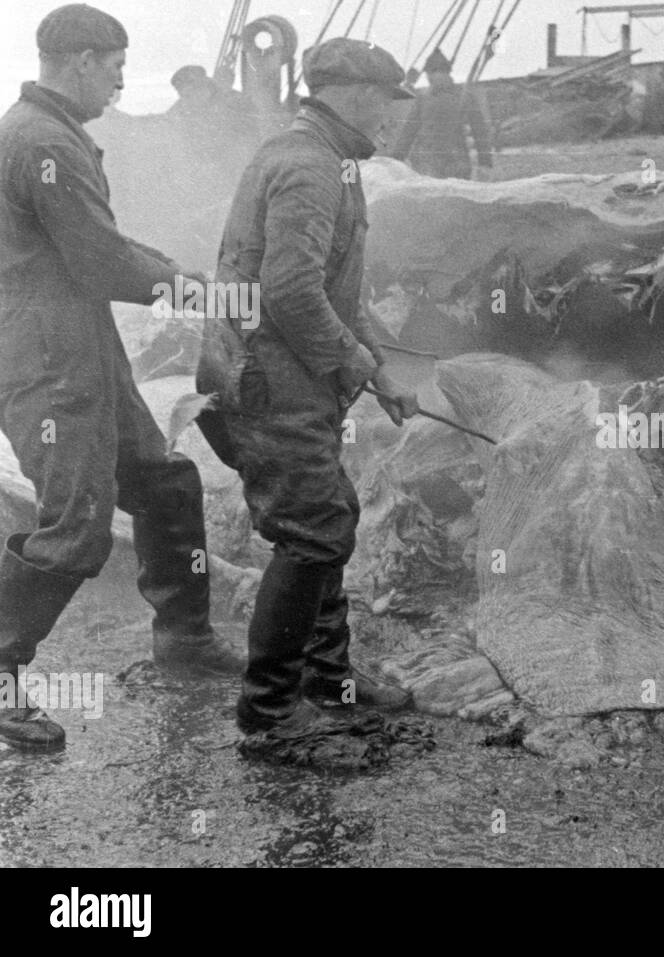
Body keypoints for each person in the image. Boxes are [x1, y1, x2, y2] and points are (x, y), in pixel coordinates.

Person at [0, 3, 244, 752]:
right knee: (76, 527)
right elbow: (101, 261)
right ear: (78, 60)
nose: (120, 79)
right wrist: (193, 289)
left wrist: (175, 271)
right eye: (112, 65)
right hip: (46, 358)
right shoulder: (42, 141)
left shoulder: (44, 131)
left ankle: (185, 639)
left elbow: (97, 243)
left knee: (163, 480)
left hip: (80, 344)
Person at [195, 37, 421, 742]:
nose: (390, 116)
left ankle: (331, 679)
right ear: (351, 92)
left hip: (288, 373)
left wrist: (377, 367)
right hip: (269, 378)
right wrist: (356, 363)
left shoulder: (325, 158)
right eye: (386, 99)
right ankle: (268, 709)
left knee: (329, 515)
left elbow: (333, 290)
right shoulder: (309, 165)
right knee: (313, 529)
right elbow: (291, 291)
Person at [390, 49, 493, 179]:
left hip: (439, 165)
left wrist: (396, 160)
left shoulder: (425, 99)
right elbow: (481, 132)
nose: (428, 78)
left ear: (437, 73)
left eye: (430, 73)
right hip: (448, 163)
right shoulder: (462, 96)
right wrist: (485, 163)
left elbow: (408, 132)